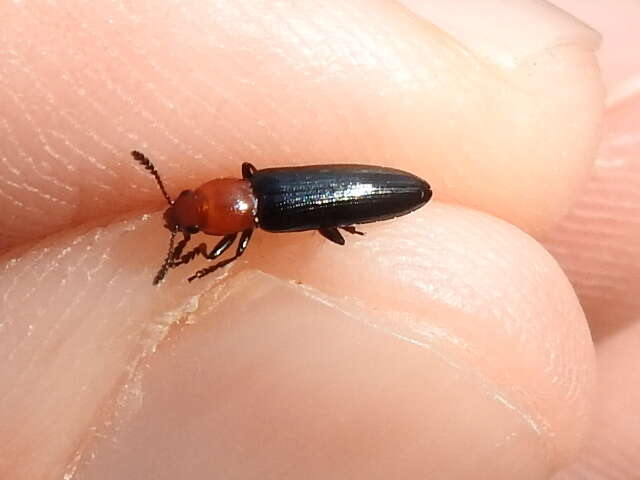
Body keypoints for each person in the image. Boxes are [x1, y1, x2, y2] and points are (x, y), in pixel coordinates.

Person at [0, 1, 637, 478]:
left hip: (376, 189)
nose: (188, 213)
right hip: (364, 186)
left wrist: (195, 261)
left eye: (191, 214)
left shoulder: (255, 218)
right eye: (194, 215)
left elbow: (230, 243)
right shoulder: (257, 192)